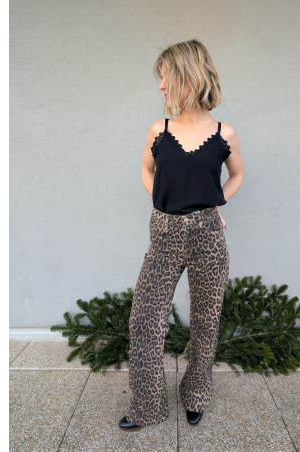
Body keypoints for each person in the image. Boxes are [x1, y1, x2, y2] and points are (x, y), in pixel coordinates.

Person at [119, 39, 244, 431]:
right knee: (145, 321)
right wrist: (162, 201)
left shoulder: (225, 133)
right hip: (164, 236)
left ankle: (196, 394)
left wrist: (215, 203)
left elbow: (237, 175)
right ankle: (147, 406)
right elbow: (146, 171)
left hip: (208, 236)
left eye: (166, 77)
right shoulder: (159, 130)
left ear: (190, 76)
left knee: (206, 321)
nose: (160, 86)